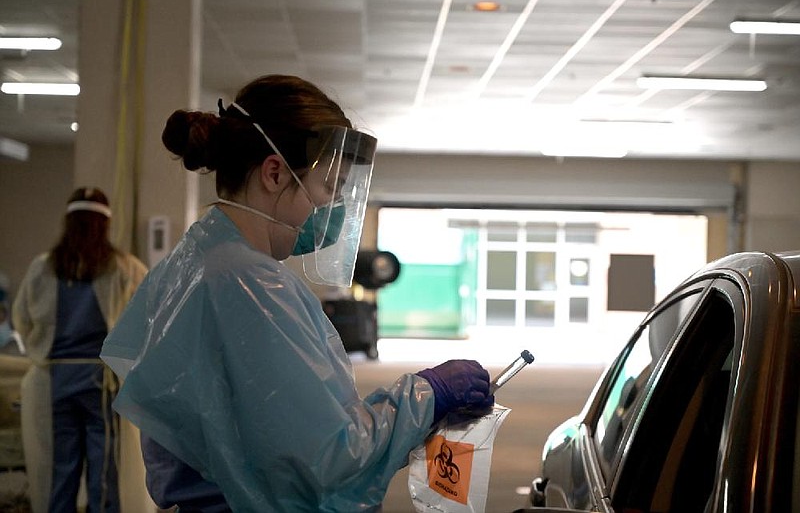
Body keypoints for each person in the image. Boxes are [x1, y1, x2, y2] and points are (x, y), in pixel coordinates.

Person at [100, 74, 494, 511]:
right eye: (329, 187)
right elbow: (331, 460)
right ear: (274, 173)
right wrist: (427, 394)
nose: (333, 209)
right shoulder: (254, 286)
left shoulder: (195, 259)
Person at [12, 187, 149, 513]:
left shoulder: (43, 268)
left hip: (52, 381)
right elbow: (149, 317)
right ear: (106, 223)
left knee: (58, 471)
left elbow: (22, 319)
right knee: (104, 473)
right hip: (102, 382)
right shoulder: (124, 268)